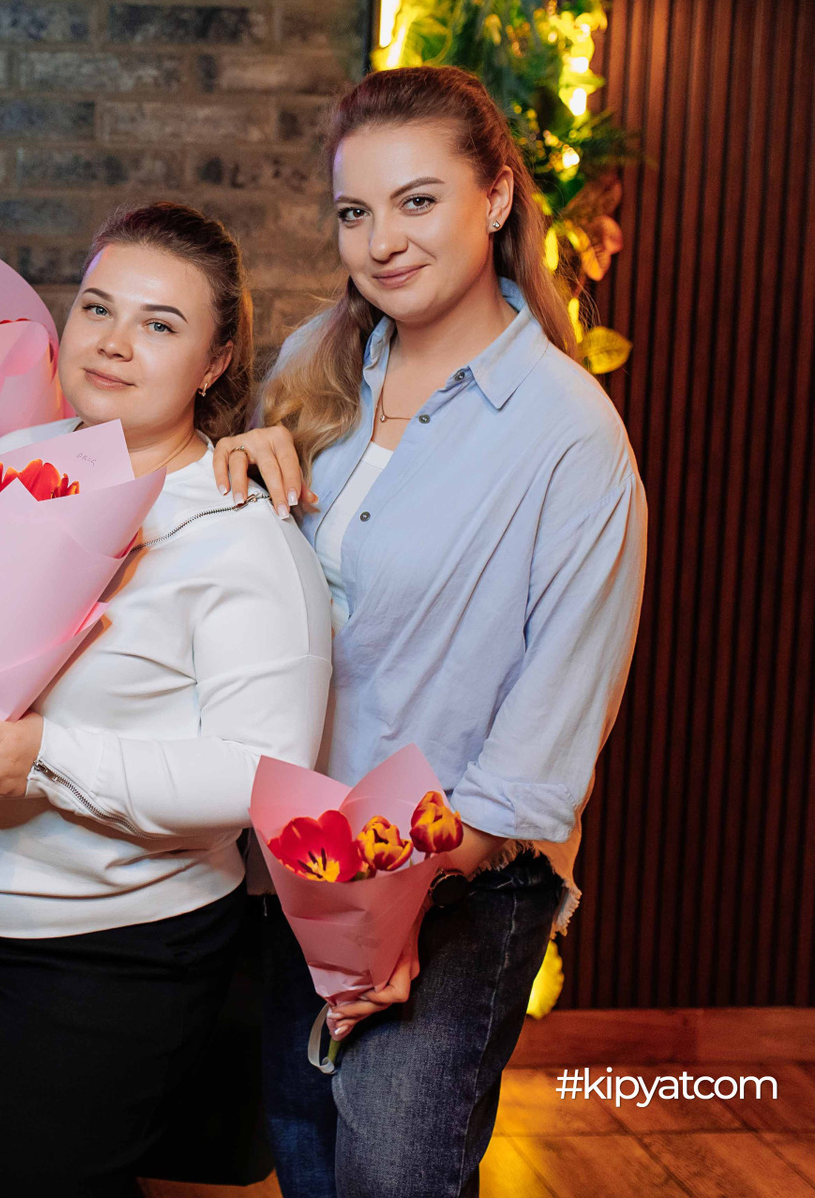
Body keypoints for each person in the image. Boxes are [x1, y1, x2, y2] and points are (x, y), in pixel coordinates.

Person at [211, 65, 648, 1198]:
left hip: (457, 894)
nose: (382, 241)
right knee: (306, 1161)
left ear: (496, 196)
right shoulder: (312, 363)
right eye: (355, 211)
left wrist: (391, 908)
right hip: (295, 870)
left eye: (418, 201)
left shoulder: (569, 434)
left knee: (392, 1179)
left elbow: (549, 733)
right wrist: (232, 476)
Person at [0, 203, 335, 1198]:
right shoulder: (5, 466)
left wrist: (46, 755)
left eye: (160, 323)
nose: (114, 342)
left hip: (107, 949)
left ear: (217, 361)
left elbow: (263, 773)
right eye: (97, 307)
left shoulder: (239, 532)